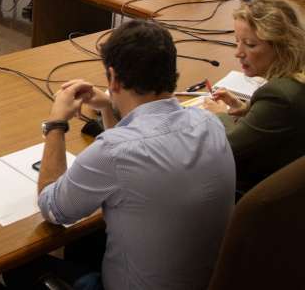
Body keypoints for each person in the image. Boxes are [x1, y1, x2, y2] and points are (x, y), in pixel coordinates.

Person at [15, 20, 234, 289]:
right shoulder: (210, 123)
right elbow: (129, 149)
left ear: (113, 78)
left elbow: (52, 208)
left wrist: (56, 124)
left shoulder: (114, 151)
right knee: (86, 240)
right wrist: (108, 106)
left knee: (20, 263)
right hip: (203, 280)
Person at [203, 0, 305, 193]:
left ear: (283, 46)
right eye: (237, 42)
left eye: (250, 44)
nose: (238, 53)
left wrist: (218, 115)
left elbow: (227, 147)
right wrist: (245, 109)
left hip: (254, 193)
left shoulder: (279, 96)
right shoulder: (296, 77)